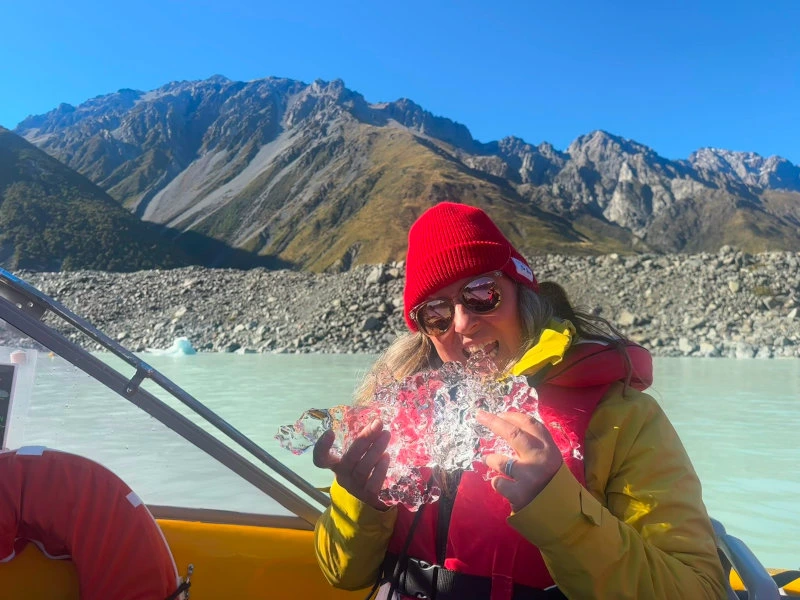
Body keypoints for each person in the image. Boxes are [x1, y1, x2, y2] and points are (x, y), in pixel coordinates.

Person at [313, 202, 727, 599]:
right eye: (436, 314)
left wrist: (558, 507)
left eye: (481, 293)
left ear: (522, 294)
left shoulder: (621, 418)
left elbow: (698, 589)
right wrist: (359, 499)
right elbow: (343, 575)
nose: (462, 323)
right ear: (424, 332)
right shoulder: (394, 416)